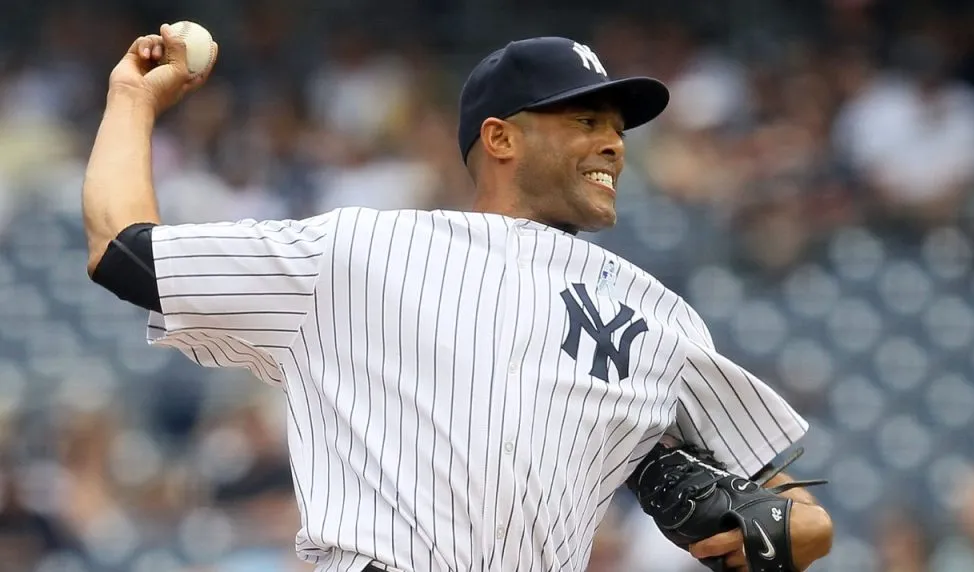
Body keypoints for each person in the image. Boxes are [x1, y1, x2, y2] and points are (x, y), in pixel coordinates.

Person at [82, 25, 833, 572]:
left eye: (616, 127)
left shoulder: (657, 315)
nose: (614, 143)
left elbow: (807, 524)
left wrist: (761, 532)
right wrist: (130, 100)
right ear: (500, 139)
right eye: (585, 120)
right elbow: (122, 248)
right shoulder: (358, 249)